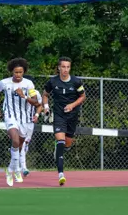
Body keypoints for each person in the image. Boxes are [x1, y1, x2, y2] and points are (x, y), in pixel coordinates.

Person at [0, 58, 39, 187]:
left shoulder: (28, 84)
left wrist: (23, 96)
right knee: (14, 140)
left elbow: (35, 101)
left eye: (20, 72)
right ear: (12, 72)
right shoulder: (4, 83)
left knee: (19, 146)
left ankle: (12, 169)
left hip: (24, 119)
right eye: (16, 72)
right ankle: (15, 170)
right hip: (10, 116)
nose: (18, 75)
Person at [43, 57, 86, 186]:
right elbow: (45, 94)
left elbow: (83, 96)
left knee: (67, 144)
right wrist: (46, 107)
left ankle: (62, 148)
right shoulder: (53, 82)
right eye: (63, 67)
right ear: (59, 68)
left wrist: (72, 105)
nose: (65, 69)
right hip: (59, 116)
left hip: (72, 116)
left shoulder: (76, 82)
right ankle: (61, 174)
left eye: (68, 67)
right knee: (60, 141)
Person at [20, 75, 43, 177]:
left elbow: (39, 105)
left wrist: (37, 115)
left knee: (25, 144)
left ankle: (17, 161)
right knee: (21, 142)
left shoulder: (36, 93)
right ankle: (23, 167)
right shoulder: (16, 90)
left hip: (29, 122)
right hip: (18, 121)